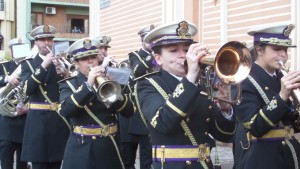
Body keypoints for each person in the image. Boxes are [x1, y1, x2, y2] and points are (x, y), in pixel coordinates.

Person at [135, 21, 236, 169]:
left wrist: (226, 109)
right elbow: (163, 123)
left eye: (187, 49)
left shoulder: (200, 85)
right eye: (173, 50)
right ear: (158, 59)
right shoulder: (148, 84)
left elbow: (224, 135)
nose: (183, 56)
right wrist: (190, 78)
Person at [58, 37, 134, 169]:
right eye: (84, 59)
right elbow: (65, 111)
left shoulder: (110, 79)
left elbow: (129, 111)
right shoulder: (69, 84)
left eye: (93, 56)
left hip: (109, 146)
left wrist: (113, 88)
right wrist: (88, 85)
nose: (90, 61)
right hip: (82, 148)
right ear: (76, 63)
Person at [233, 23, 300, 169]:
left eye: (285, 50)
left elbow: (293, 126)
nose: (283, 55)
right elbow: (255, 127)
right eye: (277, 49)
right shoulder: (242, 80)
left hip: (288, 157)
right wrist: (282, 95)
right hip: (261, 160)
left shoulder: (281, 76)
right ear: (259, 50)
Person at [20, 25, 70, 169]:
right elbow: (27, 89)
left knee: (57, 163)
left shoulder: (60, 62)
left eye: (49, 39)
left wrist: (66, 75)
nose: (47, 43)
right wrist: (43, 65)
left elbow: (70, 89)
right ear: (36, 42)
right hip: (38, 124)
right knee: (39, 165)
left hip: (58, 121)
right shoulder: (28, 64)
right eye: (42, 40)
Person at [119, 24, 155, 169]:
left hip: (152, 108)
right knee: (128, 157)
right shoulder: (135, 56)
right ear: (142, 41)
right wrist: (153, 54)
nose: (152, 43)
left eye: (154, 39)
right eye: (149, 40)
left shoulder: (161, 55)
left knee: (149, 157)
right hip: (136, 112)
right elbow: (138, 71)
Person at [0, 37, 30, 169]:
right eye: (16, 49)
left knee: (23, 162)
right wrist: (7, 78)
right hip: (7, 121)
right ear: (11, 51)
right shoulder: (4, 65)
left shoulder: (31, 66)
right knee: (6, 160)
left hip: (25, 119)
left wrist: (28, 108)